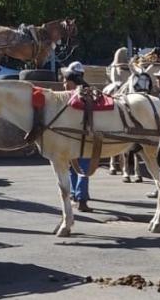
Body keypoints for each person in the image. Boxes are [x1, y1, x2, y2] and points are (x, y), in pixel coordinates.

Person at [62, 61, 93, 212]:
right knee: (81, 169)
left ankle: (76, 196)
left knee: (75, 168)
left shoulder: (69, 97)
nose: (63, 84)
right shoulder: (87, 93)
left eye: (65, 81)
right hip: (83, 136)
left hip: (73, 137)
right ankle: (80, 199)